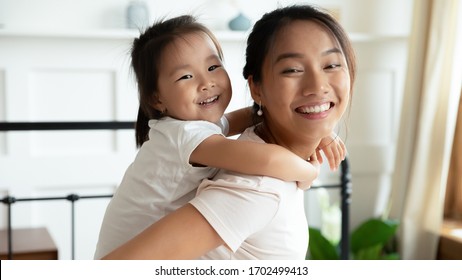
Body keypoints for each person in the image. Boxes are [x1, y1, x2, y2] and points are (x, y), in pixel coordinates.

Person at [97, 7, 353, 260]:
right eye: (185, 76)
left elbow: (246, 116)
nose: (206, 83)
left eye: (212, 67)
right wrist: (308, 172)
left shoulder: (196, 128)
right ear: (157, 98)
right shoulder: (246, 180)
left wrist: (319, 125)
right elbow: (267, 160)